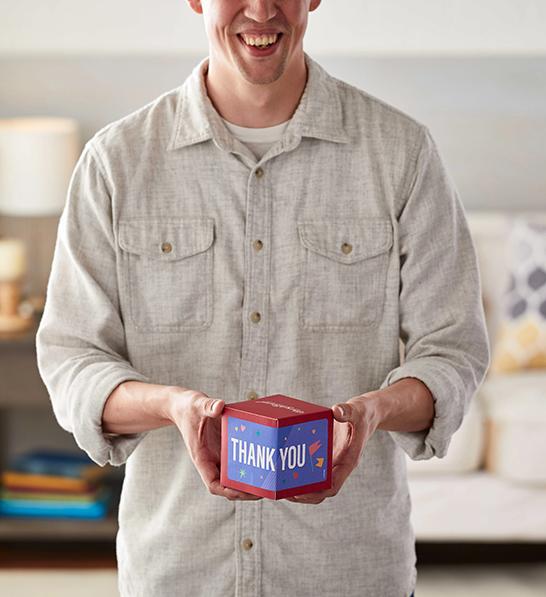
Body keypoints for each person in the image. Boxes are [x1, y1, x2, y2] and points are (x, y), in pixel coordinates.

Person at [35, 1, 490, 596]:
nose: (260, 9)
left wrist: (371, 412)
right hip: (179, 572)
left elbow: (453, 349)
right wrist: (172, 405)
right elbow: (72, 359)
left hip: (347, 571)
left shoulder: (401, 154)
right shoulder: (115, 163)